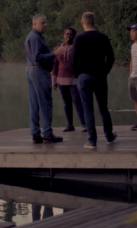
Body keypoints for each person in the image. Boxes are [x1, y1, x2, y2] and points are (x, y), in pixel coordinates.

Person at [72, 12, 117, 148]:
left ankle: (92, 140)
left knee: (88, 110)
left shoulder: (79, 38)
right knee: (103, 108)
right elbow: (111, 57)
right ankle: (109, 135)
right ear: (94, 22)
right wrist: (105, 72)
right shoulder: (103, 37)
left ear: (82, 23)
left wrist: (77, 75)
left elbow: (74, 60)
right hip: (100, 76)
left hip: (84, 77)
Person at [25, 14, 65, 144]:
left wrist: (52, 52)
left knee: (34, 104)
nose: (45, 25)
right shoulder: (35, 37)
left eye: (46, 22)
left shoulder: (33, 37)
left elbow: (37, 55)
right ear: (34, 24)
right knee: (45, 104)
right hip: (38, 71)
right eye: (42, 23)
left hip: (31, 70)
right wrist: (54, 53)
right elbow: (37, 57)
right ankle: (47, 133)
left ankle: (35, 134)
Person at [52, 28, 87, 133]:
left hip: (74, 80)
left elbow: (82, 63)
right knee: (66, 103)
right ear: (63, 35)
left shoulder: (77, 48)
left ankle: (84, 124)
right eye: (67, 34)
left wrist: (81, 77)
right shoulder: (58, 49)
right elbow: (54, 67)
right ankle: (69, 125)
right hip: (61, 80)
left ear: (74, 36)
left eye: (71, 35)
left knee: (77, 101)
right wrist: (53, 81)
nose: (68, 36)